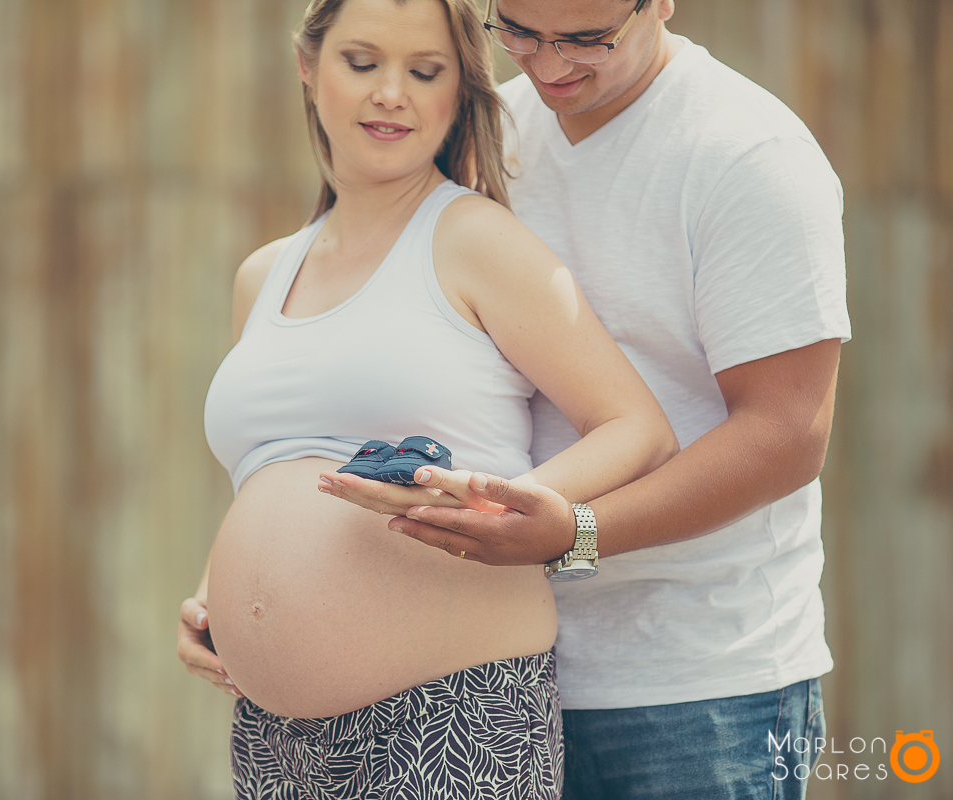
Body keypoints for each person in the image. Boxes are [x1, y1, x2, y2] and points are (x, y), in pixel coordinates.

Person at [320, 0, 851, 798]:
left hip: (697, 686)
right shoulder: (486, 135)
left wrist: (576, 534)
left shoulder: (748, 153)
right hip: (495, 675)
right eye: (521, 33)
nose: (549, 66)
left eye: (587, 40)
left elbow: (787, 433)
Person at [178, 0, 679, 797]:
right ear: (308, 66)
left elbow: (638, 429)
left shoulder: (475, 241)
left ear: (459, 93)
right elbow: (270, 471)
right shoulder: (262, 274)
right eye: (362, 62)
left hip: (451, 716)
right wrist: (215, 590)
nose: (391, 94)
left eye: (425, 71)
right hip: (276, 738)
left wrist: (495, 505)